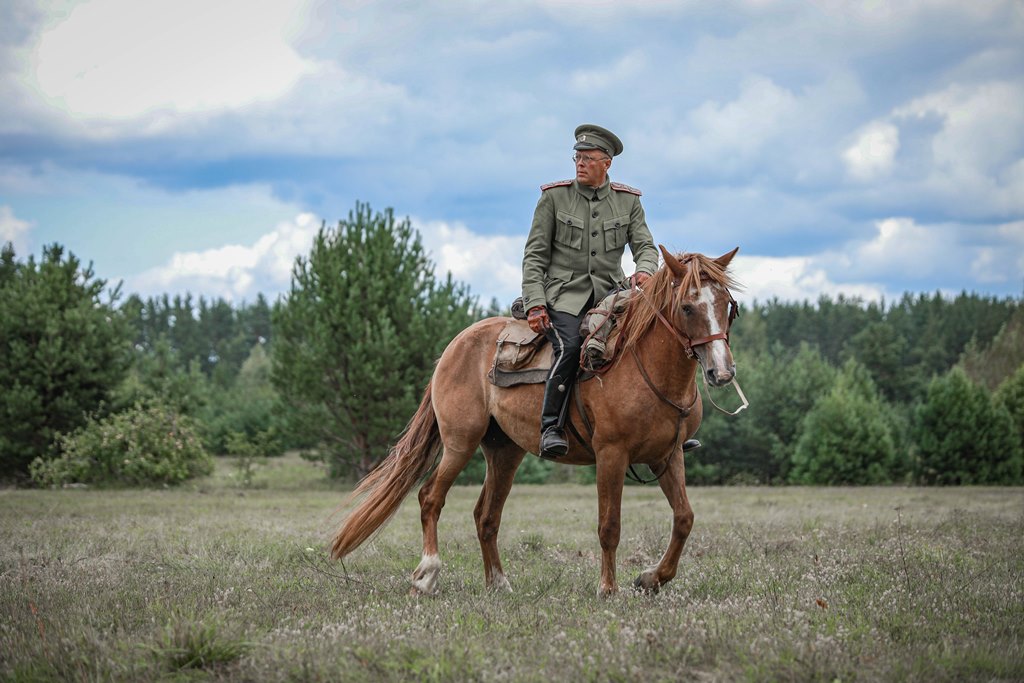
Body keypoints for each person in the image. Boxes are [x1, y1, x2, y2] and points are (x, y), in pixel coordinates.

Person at [521, 124, 659, 458]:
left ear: (607, 163)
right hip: (563, 297)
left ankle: (665, 428)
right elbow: (534, 256)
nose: (579, 163)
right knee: (570, 347)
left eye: (587, 158)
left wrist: (645, 270)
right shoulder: (554, 198)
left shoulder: (628, 202)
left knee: (653, 340)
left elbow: (646, 247)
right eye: (577, 157)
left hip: (611, 297)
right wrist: (535, 304)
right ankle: (551, 426)